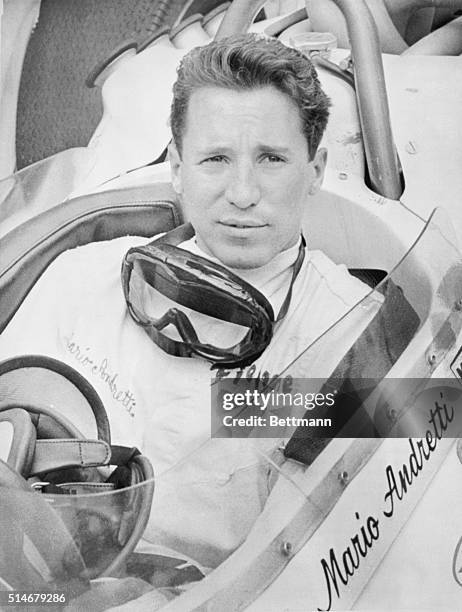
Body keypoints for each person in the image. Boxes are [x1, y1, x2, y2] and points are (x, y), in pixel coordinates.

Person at [0, 34, 380, 568]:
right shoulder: (84, 272)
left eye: (271, 158)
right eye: (215, 159)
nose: (243, 192)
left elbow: (343, 551)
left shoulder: (353, 342)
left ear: (314, 170)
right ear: (177, 167)